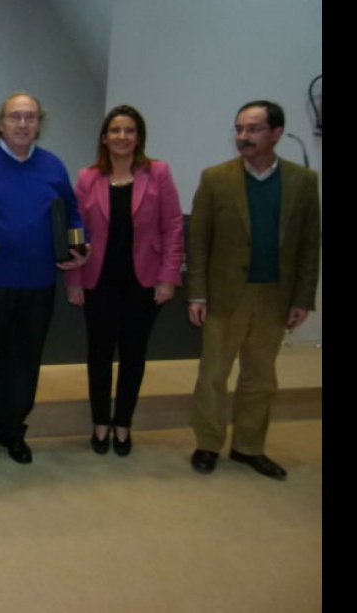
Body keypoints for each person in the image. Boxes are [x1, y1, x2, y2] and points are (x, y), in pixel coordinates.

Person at [187, 100, 320, 480]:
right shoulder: (216, 178)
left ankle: (248, 447)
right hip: (225, 296)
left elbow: (310, 245)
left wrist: (302, 298)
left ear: (276, 133)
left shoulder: (304, 182)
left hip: (275, 296)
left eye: (253, 129)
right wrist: (197, 293)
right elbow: (198, 241)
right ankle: (208, 444)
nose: (243, 136)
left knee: (260, 377)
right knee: (213, 373)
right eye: (240, 129)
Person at [0, 91, 89, 465]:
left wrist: (80, 246)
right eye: (16, 117)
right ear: (1, 123)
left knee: (25, 364)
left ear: (39, 124)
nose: (23, 124)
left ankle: (13, 432)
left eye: (30, 117)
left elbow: (73, 215)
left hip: (38, 284)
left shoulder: (53, 167)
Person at [65, 105, 184, 457]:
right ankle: (100, 422)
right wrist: (74, 279)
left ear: (139, 137)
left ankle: (124, 423)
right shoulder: (88, 177)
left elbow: (173, 226)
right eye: (115, 130)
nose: (121, 137)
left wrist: (168, 277)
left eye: (129, 130)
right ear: (104, 137)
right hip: (98, 280)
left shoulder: (158, 173)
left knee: (134, 355)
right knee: (99, 355)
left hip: (143, 282)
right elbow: (76, 231)